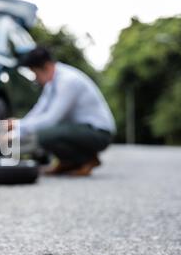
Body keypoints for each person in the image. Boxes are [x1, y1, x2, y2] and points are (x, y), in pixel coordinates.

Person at [7, 46, 116, 176]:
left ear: (46, 67)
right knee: (48, 132)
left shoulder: (68, 81)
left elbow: (51, 119)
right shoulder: (51, 84)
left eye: (35, 73)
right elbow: (38, 112)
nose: (35, 78)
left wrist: (17, 127)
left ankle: (86, 159)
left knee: (44, 135)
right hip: (78, 130)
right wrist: (17, 129)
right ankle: (68, 162)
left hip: (99, 133)